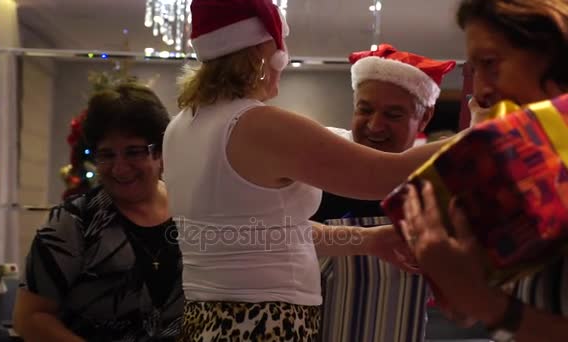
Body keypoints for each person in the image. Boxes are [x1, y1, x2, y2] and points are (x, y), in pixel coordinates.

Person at [163, 0, 450, 339]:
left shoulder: (180, 127)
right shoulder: (257, 125)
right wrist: (487, 134)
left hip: (206, 321)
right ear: (262, 54)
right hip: (263, 323)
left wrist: (370, 240)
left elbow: (263, 234)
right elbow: (386, 177)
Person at [400, 0, 568, 341]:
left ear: (552, 54)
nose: (481, 91)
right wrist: (466, 290)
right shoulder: (536, 171)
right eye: (476, 70)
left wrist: (488, 304)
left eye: (491, 64)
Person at [13, 83, 184, 342]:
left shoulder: (191, 209)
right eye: (106, 155)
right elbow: (30, 317)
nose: (120, 168)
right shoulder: (73, 223)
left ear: (159, 151)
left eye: (133, 152)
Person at [313, 45, 456, 342]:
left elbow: (460, 306)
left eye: (393, 114)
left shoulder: (436, 189)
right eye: (365, 110)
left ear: (425, 118)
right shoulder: (314, 170)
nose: (375, 125)